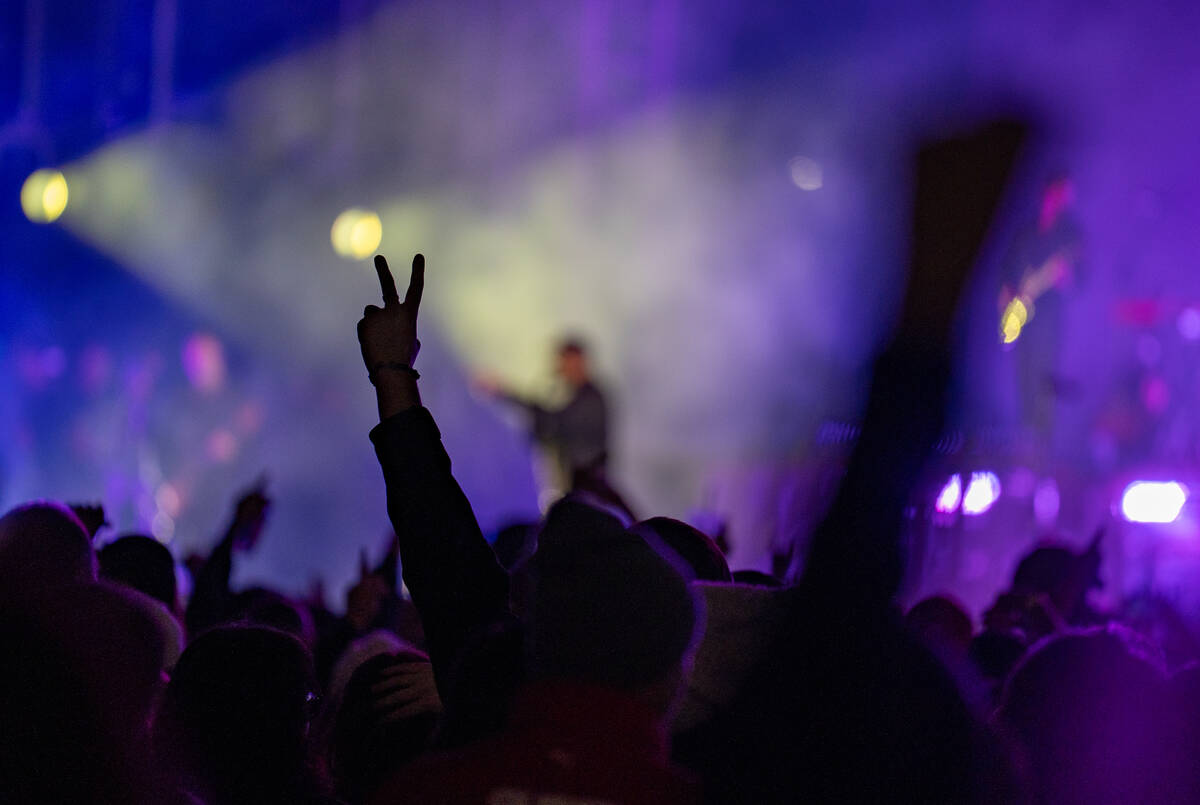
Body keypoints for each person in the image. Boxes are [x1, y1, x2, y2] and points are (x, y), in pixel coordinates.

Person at [477, 338, 610, 500]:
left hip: (587, 484)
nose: (561, 368)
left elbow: (554, 423)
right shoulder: (572, 396)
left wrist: (505, 393)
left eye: (566, 362)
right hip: (575, 482)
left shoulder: (591, 399)